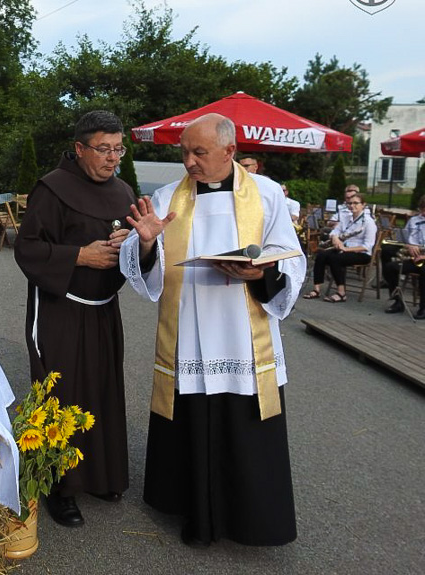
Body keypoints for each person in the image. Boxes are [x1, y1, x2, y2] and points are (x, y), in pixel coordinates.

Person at [118, 113, 305, 547]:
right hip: (191, 332)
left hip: (245, 333)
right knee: (195, 424)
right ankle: (198, 518)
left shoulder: (267, 195)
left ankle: (251, 521)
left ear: (229, 152)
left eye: (199, 152)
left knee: (245, 431)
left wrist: (259, 275)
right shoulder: (168, 197)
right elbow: (147, 263)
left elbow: (291, 259)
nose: (189, 162)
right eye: (184, 152)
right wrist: (146, 242)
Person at [14, 110, 134, 528]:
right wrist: (80, 255)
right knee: (62, 395)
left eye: (118, 149)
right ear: (80, 148)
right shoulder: (52, 188)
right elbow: (27, 249)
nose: (113, 158)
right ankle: (59, 487)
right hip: (61, 306)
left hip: (104, 309)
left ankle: (102, 475)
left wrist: (135, 242)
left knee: (101, 389)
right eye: (103, 149)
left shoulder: (123, 191)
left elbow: (137, 254)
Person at [302, 192, 377, 303]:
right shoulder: (346, 218)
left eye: (356, 203)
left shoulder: (368, 222)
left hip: (361, 254)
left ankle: (341, 293)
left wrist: (346, 249)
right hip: (343, 249)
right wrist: (335, 238)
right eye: (350, 203)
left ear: (363, 205)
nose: (352, 206)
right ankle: (316, 289)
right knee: (321, 255)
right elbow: (335, 231)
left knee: (335, 259)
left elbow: (368, 246)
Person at [383, 195, 425, 319]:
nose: (423, 213)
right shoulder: (414, 220)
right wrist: (409, 247)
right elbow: (405, 238)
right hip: (414, 257)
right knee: (390, 267)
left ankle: (423, 307)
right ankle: (398, 301)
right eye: (422, 209)